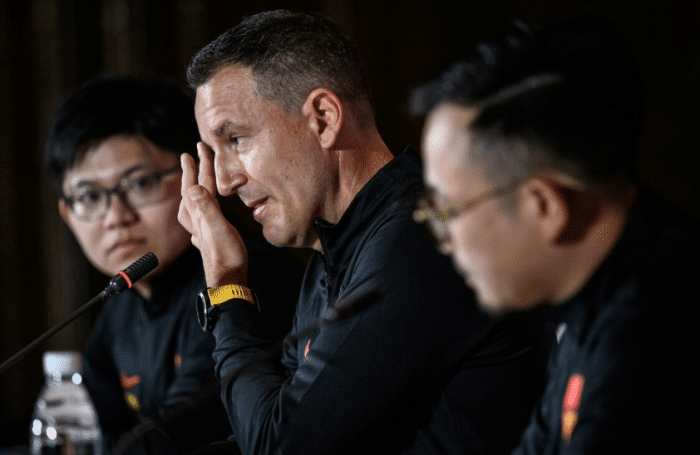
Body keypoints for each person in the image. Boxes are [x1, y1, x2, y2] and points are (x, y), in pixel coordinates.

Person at [178, 10, 553, 455]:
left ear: (323, 118)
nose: (223, 182)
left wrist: (226, 287)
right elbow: (263, 426)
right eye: (212, 153)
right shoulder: (332, 252)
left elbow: (279, 445)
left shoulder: (418, 241)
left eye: (236, 140)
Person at [411, 18, 699, 454]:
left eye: (447, 211)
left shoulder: (650, 341)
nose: (444, 241)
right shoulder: (590, 293)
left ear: (545, 206)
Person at [43, 74, 304, 454]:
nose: (116, 217)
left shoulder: (245, 275)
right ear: (68, 215)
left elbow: (179, 439)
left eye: (140, 184)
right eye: (89, 196)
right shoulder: (121, 303)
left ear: (197, 173)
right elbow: (88, 429)